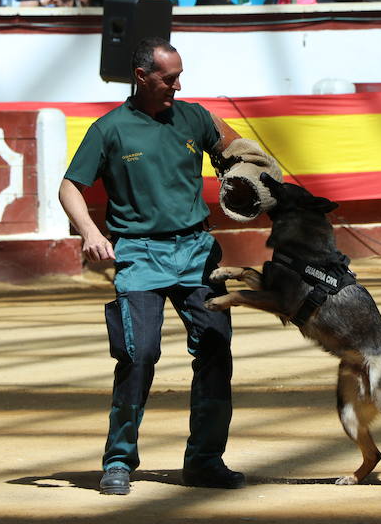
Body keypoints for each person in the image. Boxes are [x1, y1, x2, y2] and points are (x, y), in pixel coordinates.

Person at [58, 37, 248, 496]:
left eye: (179, 76)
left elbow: (239, 150)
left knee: (216, 350)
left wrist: (249, 169)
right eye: (169, 78)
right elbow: (69, 188)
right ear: (142, 76)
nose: (178, 86)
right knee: (138, 356)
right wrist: (91, 233)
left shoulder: (195, 117)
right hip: (139, 255)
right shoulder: (109, 129)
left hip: (196, 252)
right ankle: (119, 460)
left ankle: (204, 461)